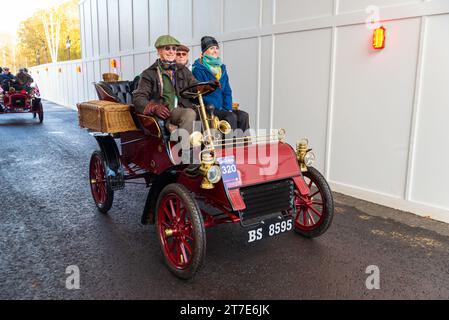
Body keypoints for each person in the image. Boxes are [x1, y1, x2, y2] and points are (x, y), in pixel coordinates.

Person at [132, 35, 199, 135]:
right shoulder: (149, 73)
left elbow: (194, 86)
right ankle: (186, 149)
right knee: (189, 114)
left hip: (184, 106)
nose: (171, 52)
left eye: (174, 48)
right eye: (167, 48)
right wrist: (154, 107)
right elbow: (139, 98)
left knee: (207, 113)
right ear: (159, 51)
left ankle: (207, 146)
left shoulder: (182, 70)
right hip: (168, 111)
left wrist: (207, 86)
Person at [192, 36, 249, 134]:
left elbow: (227, 91)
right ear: (204, 52)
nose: (215, 51)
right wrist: (222, 110)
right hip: (208, 108)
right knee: (230, 117)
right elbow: (200, 92)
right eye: (211, 48)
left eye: (216, 48)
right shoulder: (198, 69)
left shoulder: (222, 69)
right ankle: (231, 147)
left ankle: (244, 146)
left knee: (243, 115)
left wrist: (228, 109)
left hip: (222, 108)